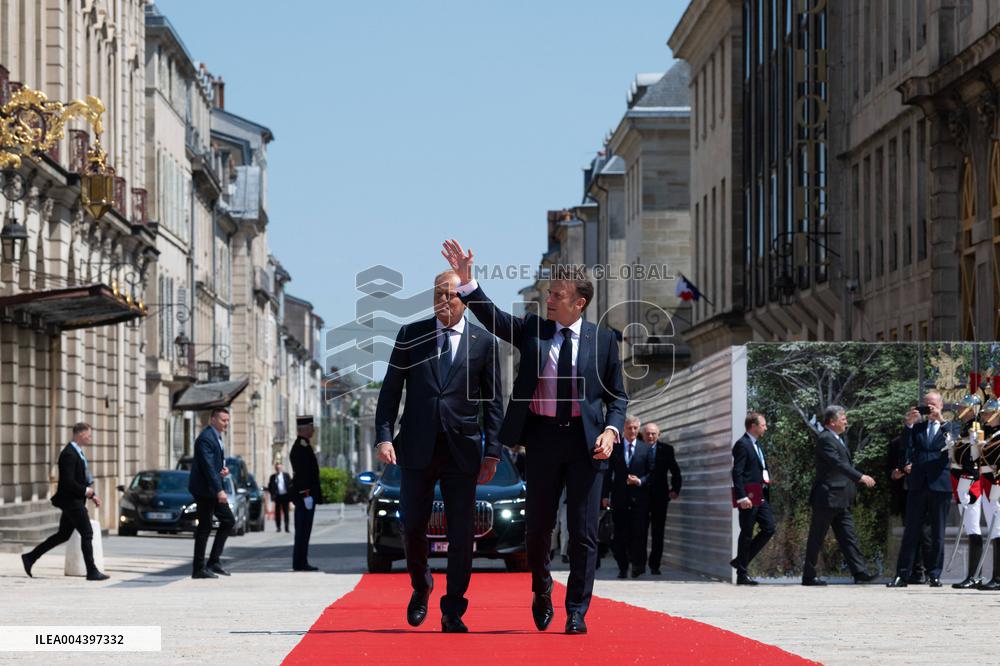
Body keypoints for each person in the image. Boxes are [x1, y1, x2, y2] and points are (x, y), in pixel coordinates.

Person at [443, 240, 627, 635]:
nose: (548, 299)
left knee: (583, 531)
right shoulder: (533, 330)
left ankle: (576, 609)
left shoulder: (606, 341)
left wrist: (612, 431)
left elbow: (617, 397)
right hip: (542, 440)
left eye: (556, 295)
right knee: (538, 528)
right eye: (548, 293)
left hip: (586, 444)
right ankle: (542, 588)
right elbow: (492, 318)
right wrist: (468, 281)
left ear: (579, 303)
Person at [375, 269, 504, 633]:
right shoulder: (410, 335)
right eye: (437, 293)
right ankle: (421, 585)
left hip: (461, 450)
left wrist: (493, 450)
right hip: (416, 447)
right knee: (411, 526)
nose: (443, 300)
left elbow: (493, 402)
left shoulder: (483, 342)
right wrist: (384, 436)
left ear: (464, 298)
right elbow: (390, 392)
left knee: (462, 534)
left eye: (450, 294)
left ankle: (453, 610)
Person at [887, 391, 960, 587]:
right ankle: (902, 574)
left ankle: (934, 574)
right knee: (911, 531)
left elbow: (952, 444)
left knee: (937, 533)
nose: (929, 408)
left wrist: (941, 420)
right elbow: (905, 448)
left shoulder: (951, 426)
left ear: (941, 405)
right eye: (926, 404)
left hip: (940, 484)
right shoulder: (917, 428)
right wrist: (908, 424)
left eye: (932, 404)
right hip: (918, 484)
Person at [21, 422, 109, 581]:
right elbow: (68, 482)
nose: (90, 438)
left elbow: (80, 478)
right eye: (89, 435)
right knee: (87, 533)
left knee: (63, 535)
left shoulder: (77, 452)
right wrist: (85, 491)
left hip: (75, 500)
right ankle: (92, 571)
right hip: (71, 501)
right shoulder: (69, 454)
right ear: (81, 434)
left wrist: (91, 494)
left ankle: (30, 557)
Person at [801, 405, 878, 585]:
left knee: (848, 537)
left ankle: (860, 573)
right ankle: (809, 576)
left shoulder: (837, 438)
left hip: (841, 498)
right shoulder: (826, 438)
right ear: (832, 422)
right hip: (827, 498)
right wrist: (860, 476)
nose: (846, 422)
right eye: (843, 419)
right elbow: (837, 464)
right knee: (817, 537)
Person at [604, 415, 653, 579]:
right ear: (623, 429)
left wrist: (639, 481)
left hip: (639, 500)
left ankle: (637, 565)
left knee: (639, 534)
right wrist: (605, 495)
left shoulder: (645, 449)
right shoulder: (615, 448)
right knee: (620, 535)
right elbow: (607, 473)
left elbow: (653, 473)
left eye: (635, 428)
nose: (632, 431)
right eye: (629, 428)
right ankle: (622, 566)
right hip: (620, 498)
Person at [189, 408, 235, 579]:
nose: (226, 424)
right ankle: (198, 568)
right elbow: (207, 467)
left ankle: (214, 561)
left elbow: (213, 466)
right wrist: (219, 490)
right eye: (223, 420)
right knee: (204, 527)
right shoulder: (206, 438)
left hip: (211, 489)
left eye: (228, 420)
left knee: (228, 520)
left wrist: (222, 471)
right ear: (213, 419)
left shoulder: (216, 437)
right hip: (205, 490)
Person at [730, 412, 775, 585]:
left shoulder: (756, 444)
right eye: (763, 424)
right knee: (747, 533)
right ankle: (742, 574)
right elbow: (737, 472)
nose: (766, 427)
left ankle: (740, 560)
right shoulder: (742, 444)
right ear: (753, 426)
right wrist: (741, 497)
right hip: (748, 496)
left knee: (769, 527)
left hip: (760, 494)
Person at [888, 434, 932, 584]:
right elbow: (890, 470)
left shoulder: (928, 441)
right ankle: (915, 571)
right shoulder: (896, 443)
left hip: (925, 493)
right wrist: (897, 472)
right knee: (911, 534)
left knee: (926, 533)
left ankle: (930, 572)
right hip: (905, 494)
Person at [642, 422, 682, 575]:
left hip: (660, 497)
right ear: (643, 435)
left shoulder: (666, 450)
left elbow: (675, 471)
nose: (650, 436)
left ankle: (654, 565)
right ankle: (639, 562)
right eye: (648, 433)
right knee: (640, 531)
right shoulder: (637, 448)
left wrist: (675, 490)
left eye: (653, 433)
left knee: (658, 532)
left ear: (658, 435)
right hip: (641, 497)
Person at [290, 415, 323, 572]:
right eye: (311, 427)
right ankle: (299, 562)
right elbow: (302, 474)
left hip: (307, 495)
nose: (313, 430)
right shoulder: (299, 448)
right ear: (303, 429)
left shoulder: (305, 446)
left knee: (305, 530)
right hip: (305, 496)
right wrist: (306, 494)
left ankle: (302, 560)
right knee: (302, 530)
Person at [267, 462, 293, 533]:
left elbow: (290, 485)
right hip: (277, 496)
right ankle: (278, 527)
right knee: (277, 513)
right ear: (275, 469)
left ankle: (286, 527)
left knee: (286, 512)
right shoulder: (273, 477)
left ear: (281, 468)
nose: (278, 469)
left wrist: (290, 496)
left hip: (285, 496)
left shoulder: (286, 475)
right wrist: (272, 494)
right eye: (277, 468)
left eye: (279, 468)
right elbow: (270, 487)